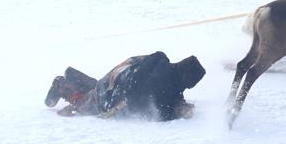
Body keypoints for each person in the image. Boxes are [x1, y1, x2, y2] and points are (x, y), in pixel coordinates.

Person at [44, 51, 206, 120]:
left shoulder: (163, 62)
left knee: (98, 87)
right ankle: (60, 84)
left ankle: (72, 74)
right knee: (85, 104)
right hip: (110, 97)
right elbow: (160, 112)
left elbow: (170, 88)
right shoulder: (162, 88)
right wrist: (179, 111)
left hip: (117, 76)